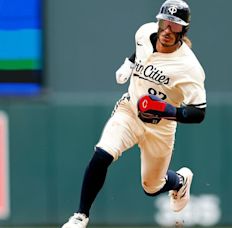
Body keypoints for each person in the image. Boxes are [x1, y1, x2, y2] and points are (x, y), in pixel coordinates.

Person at [62, 0, 206, 227]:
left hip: (161, 127)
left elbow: (198, 113)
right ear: (159, 22)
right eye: (165, 23)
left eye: (175, 25)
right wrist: (128, 64)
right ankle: (80, 216)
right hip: (130, 110)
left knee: (152, 186)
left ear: (183, 30)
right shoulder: (145, 31)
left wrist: (167, 110)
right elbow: (140, 51)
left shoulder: (189, 67)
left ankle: (179, 181)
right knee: (103, 153)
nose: (168, 30)